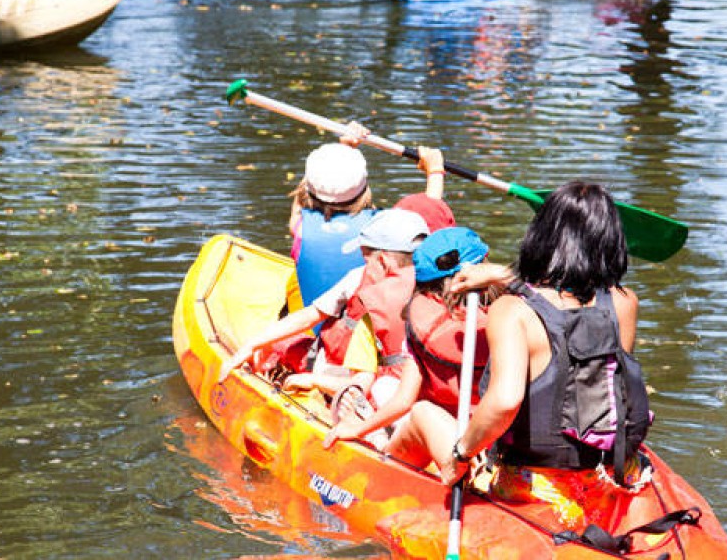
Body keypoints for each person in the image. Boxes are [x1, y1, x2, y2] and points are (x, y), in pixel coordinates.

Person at [440, 181, 657, 533]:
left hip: (537, 486)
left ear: (540, 237)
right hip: (610, 475)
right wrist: (503, 274)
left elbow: (504, 402)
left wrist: (460, 455)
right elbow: (576, 307)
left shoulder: (512, 311)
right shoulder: (626, 303)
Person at [321, 227, 517, 466]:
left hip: (444, 436)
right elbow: (541, 292)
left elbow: (404, 400)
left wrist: (359, 430)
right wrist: (504, 274)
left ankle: (380, 445)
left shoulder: (420, 320)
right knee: (388, 389)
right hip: (494, 439)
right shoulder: (513, 316)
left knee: (396, 395)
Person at [219, 208, 431, 408]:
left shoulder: (367, 281)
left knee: (278, 348)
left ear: (383, 262)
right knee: (274, 343)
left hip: (356, 382)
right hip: (365, 379)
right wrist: (254, 343)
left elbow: (367, 381)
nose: (364, 265)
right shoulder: (439, 291)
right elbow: (309, 316)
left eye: (366, 258)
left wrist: (312, 380)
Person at [290, 124, 452, 307]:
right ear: (364, 187)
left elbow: (305, 193)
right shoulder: (382, 232)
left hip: (313, 331)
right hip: (358, 330)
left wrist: (343, 149)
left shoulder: (300, 226)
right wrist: (435, 171)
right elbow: (429, 213)